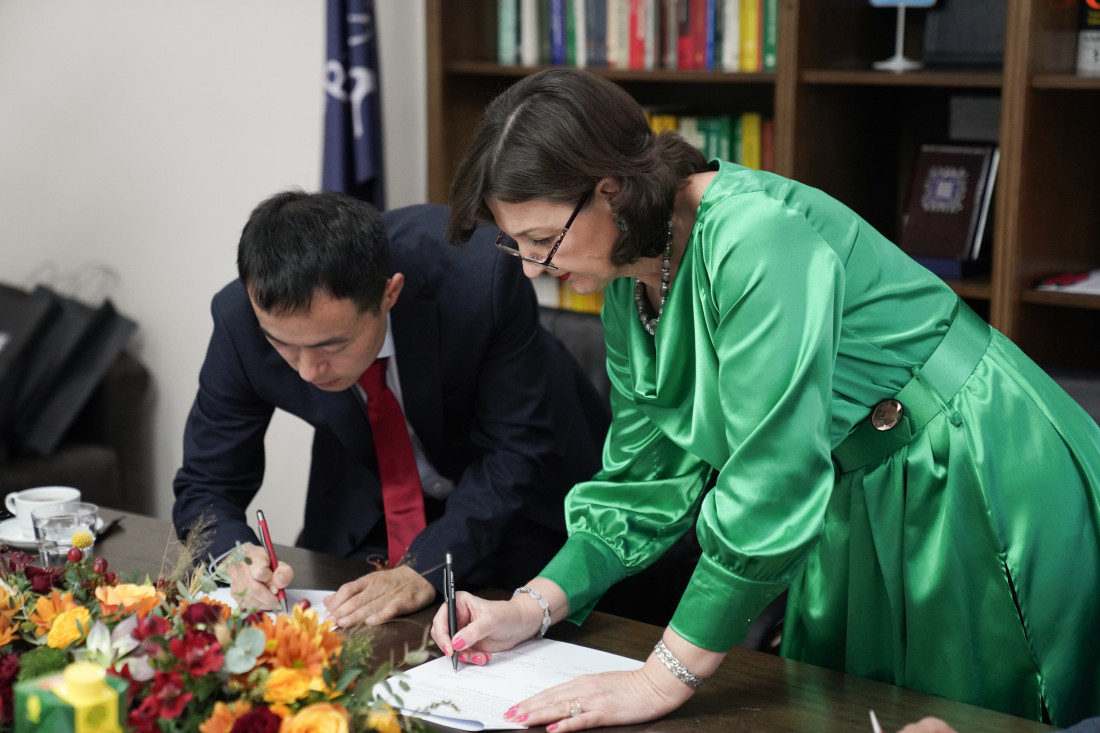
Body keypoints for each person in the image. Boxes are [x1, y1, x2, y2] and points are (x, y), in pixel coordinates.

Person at [430, 67, 1100, 731]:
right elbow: (642, 482)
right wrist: (530, 607)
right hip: (849, 496)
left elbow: (771, 478)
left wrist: (661, 677)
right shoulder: (628, 290)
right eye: (516, 244)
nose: (531, 268)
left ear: (610, 189)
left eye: (542, 241)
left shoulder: (754, 236)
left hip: (964, 469)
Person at [172, 191, 609, 627]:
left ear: (390, 293)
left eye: (332, 345)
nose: (307, 371)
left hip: (520, 506)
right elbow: (206, 482)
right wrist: (233, 557)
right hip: (371, 505)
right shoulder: (240, 319)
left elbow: (518, 450)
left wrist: (425, 567)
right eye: (282, 344)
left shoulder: (480, 277)